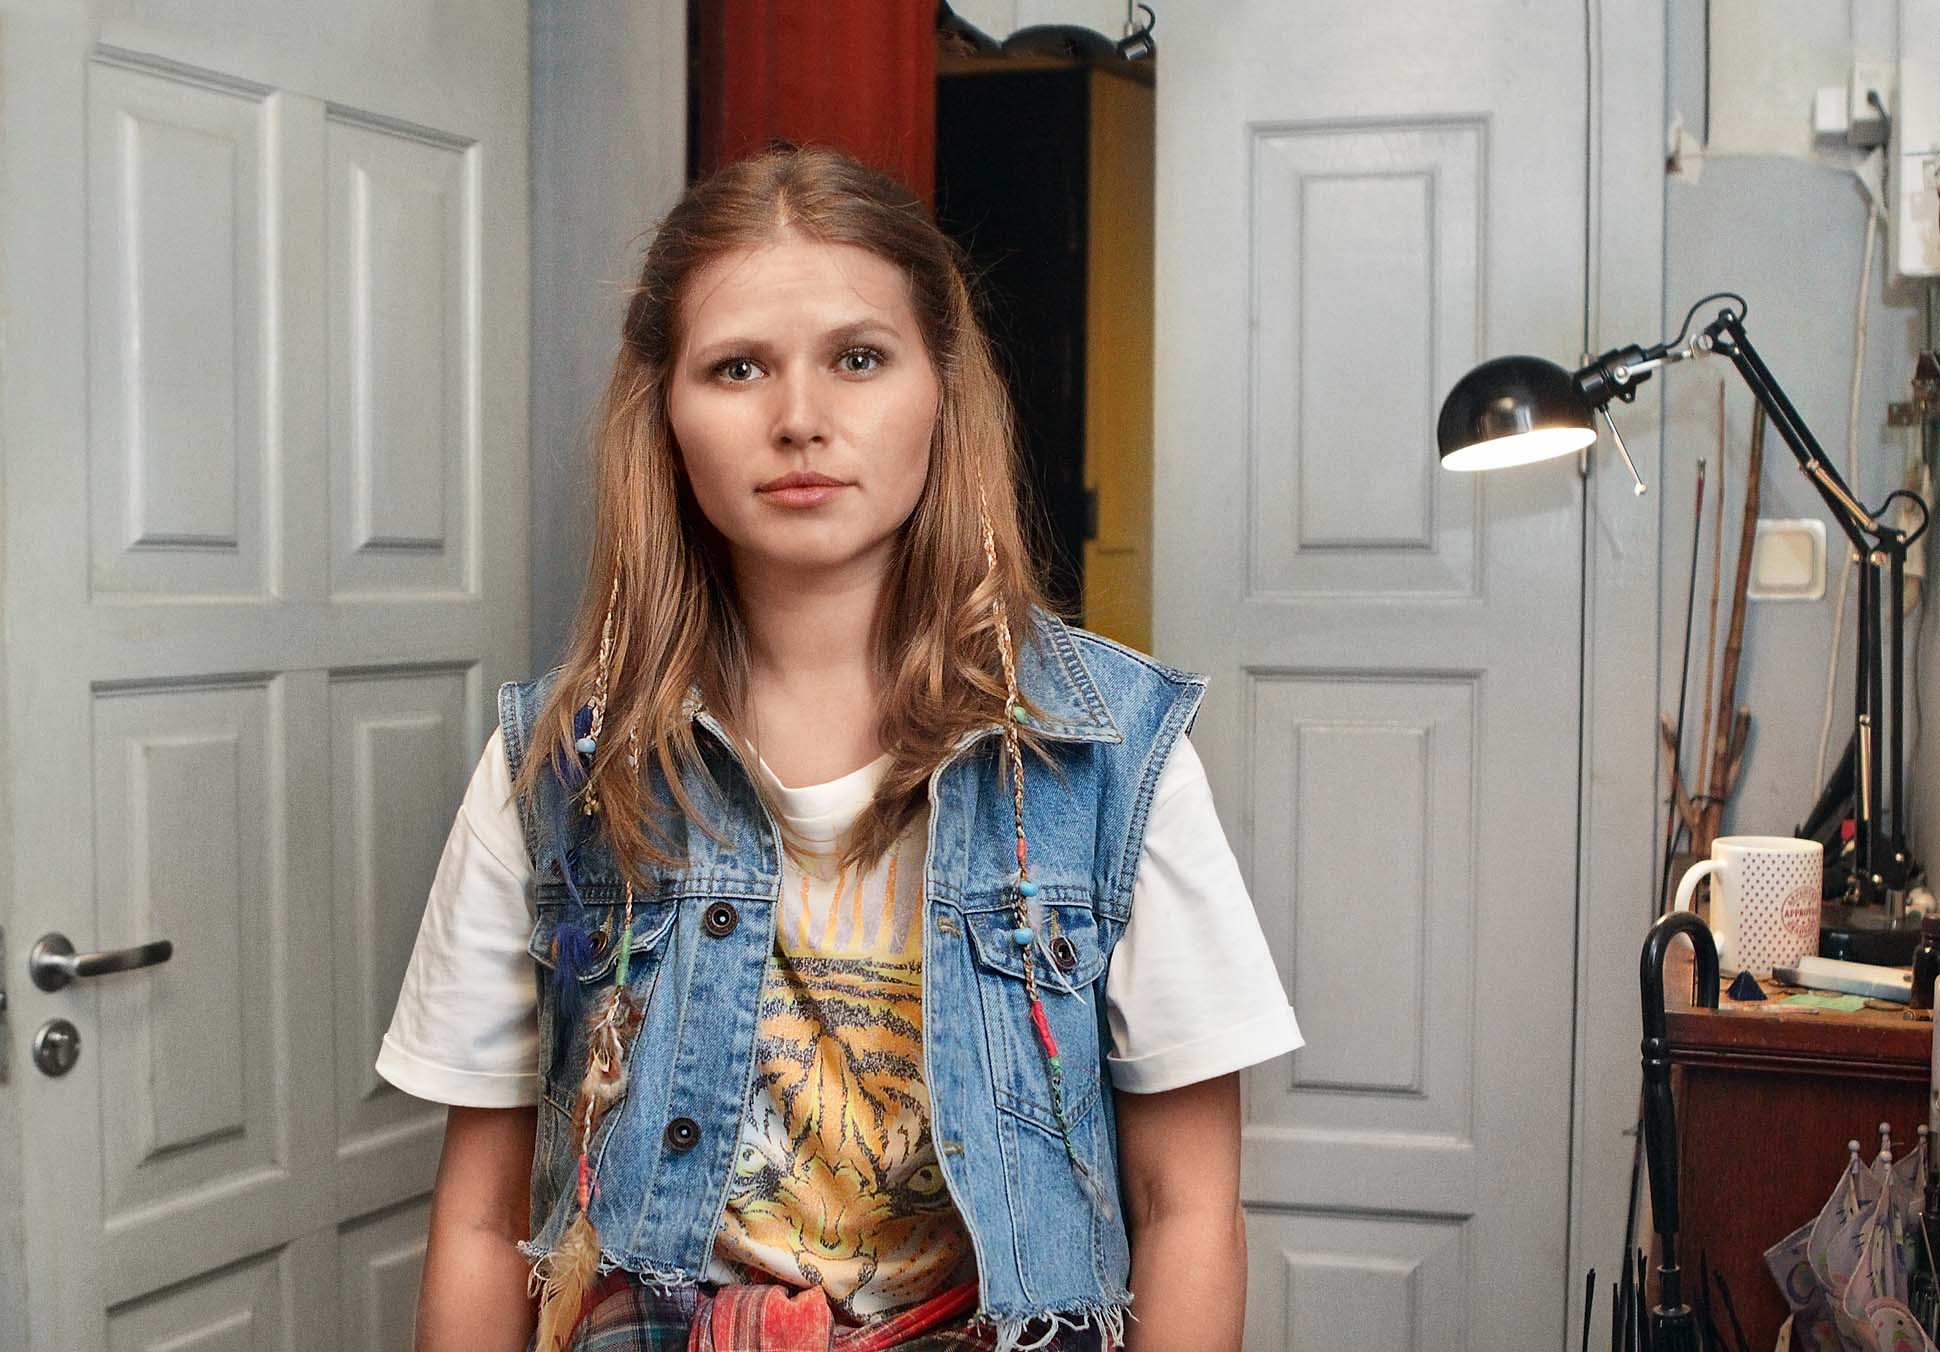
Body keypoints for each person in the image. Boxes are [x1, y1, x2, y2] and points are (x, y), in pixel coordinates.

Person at [377, 143, 1301, 1352]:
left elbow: (1186, 1206)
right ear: (665, 412)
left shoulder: (1109, 753)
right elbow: (481, 1216)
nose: (800, 420)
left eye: (858, 358)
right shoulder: (559, 765)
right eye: (737, 367)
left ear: (940, 389)